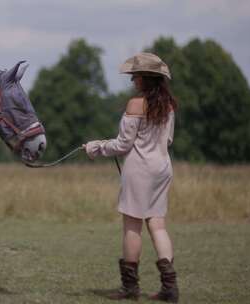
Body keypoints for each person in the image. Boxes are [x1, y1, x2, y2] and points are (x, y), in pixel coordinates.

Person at [83, 53, 179, 302]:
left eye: (135, 75)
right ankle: (170, 287)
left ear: (145, 78)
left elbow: (123, 145)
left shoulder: (136, 104)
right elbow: (168, 140)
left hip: (140, 170)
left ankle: (130, 288)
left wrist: (96, 147)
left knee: (132, 226)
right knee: (157, 225)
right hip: (162, 167)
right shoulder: (168, 105)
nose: (132, 79)